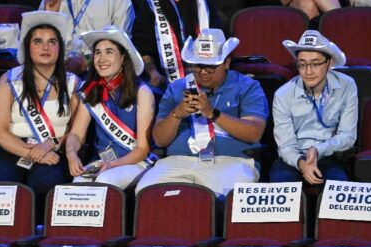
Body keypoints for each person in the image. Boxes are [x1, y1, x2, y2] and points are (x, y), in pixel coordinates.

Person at [135, 28, 268, 197]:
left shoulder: (247, 86)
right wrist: (177, 114)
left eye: (211, 66)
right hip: (178, 161)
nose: (204, 72)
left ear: (226, 62)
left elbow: (254, 133)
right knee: (146, 193)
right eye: (198, 66)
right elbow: (160, 140)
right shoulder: (177, 88)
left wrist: (213, 113)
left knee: (227, 196)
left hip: (230, 161)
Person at [0, 11, 80, 218]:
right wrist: (32, 153)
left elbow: (77, 134)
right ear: (27, 46)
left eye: (52, 42)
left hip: (55, 151)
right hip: (12, 148)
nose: (46, 47)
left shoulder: (73, 82)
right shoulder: (9, 80)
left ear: (60, 48)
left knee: (46, 183)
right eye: (38, 41)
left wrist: (48, 145)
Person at [66, 26, 154, 189]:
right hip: (102, 163)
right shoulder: (91, 90)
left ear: (122, 58)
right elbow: (76, 134)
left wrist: (113, 165)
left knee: (105, 181)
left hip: (136, 162)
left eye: (109, 52)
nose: (101, 58)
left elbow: (142, 149)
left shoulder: (142, 91)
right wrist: (71, 154)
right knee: (77, 184)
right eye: (98, 52)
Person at [270, 30, 357, 185]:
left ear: (329, 63)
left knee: (338, 186)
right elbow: (285, 146)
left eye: (315, 64)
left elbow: (348, 136)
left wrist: (318, 150)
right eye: (302, 65)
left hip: (329, 154)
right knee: (282, 185)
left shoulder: (346, 85)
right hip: (294, 157)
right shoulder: (283, 95)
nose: (308, 71)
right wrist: (303, 164)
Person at [132, 0, 221, 93]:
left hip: (205, 78)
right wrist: (153, 74)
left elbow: (219, 41)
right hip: (165, 84)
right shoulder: (150, 6)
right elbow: (144, 49)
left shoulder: (204, 4)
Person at [41, 0, 134, 75]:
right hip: (58, 71)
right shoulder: (50, 2)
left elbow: (120, 44)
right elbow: (38, 43)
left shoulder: (120, 2)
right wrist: (50, 16)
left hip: (98, 75)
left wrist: (86, 61)